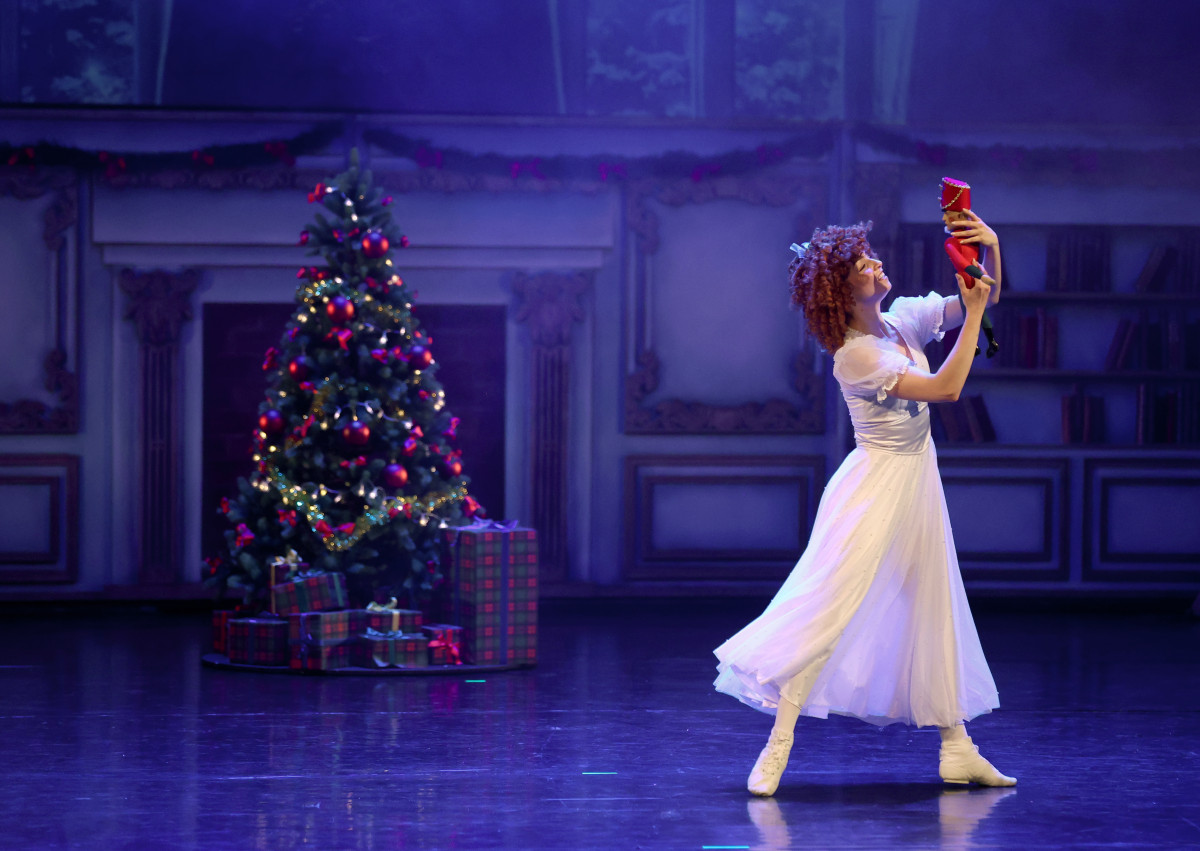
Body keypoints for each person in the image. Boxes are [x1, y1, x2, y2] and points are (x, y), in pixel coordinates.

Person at [713, 218, 1014, 797]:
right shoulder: (854, 356)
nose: (876, 265)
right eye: (863, 266)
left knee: (931, 604)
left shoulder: (903, 322)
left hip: (917, 481)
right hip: (875, 489)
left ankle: (958, 748)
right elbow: (947, 389)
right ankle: (779, 743)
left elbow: (985, 294)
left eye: (871, 258)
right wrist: (976, 316)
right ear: (842, 292)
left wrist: (991, 248)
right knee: (833, 610)